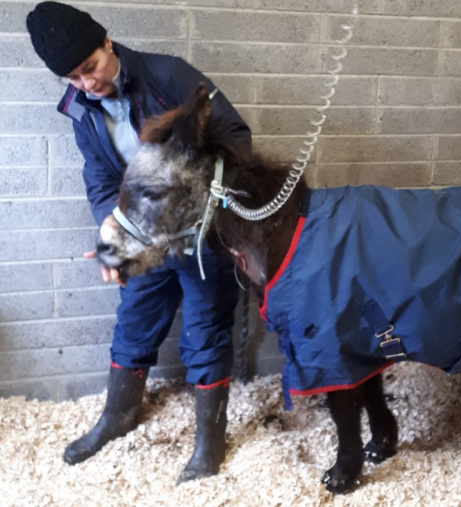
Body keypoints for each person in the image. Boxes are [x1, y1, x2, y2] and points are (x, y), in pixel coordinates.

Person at [26, 1, 251, 483]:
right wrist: (111, 232)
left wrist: (187, 199)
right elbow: (101, 177)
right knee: (133, 321)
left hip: (197, 235)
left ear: (107, 41)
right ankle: (119, 415)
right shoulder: (82, 110)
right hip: (145, 237)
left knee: (206, 329)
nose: (87, 84)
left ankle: (209, 443)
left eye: (90, 67)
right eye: (72, 78)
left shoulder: (169, 75)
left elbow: (236, 137)